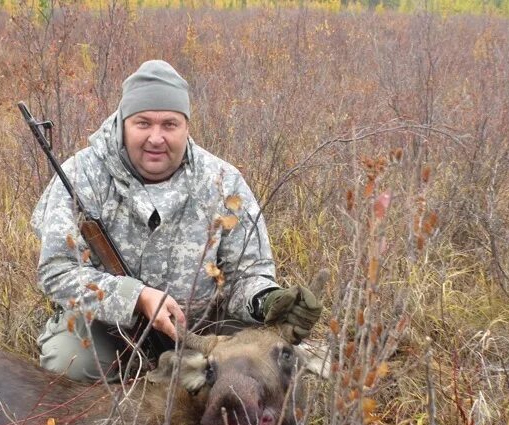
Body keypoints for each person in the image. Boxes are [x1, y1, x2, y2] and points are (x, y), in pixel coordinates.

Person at [31, 59, 321, 382]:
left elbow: (248, 272)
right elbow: (56, 272)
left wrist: (266, 300)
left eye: (169, 124)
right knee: (67, 363)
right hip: (109, 329)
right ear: (122, 122)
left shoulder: (224, 182)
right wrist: (136, 298)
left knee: (272, 359)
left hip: (202, 333)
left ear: (186, 126)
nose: (156, 137)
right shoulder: (79, 176)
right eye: (143, 123)